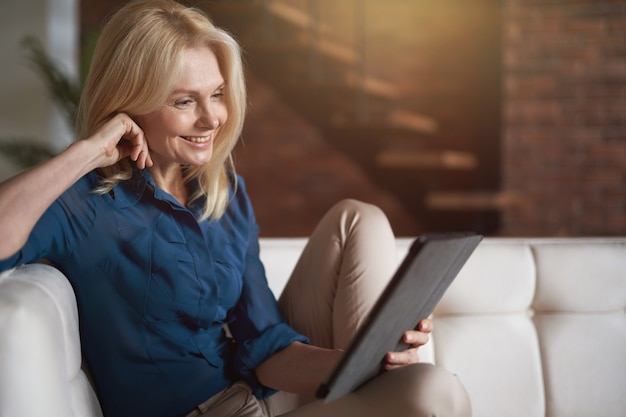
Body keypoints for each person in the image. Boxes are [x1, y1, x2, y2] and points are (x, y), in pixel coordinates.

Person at [0, 1, 471, 416]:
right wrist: (89, 149)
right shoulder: (85, 204)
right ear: (129, 105)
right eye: (185, 101)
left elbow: (263, 344)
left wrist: (366, 361)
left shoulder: (223, 192)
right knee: (432, 392)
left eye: (218, 94)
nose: (212, 119)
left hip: (258, 394)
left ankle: (375, 370)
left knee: (359, 218)